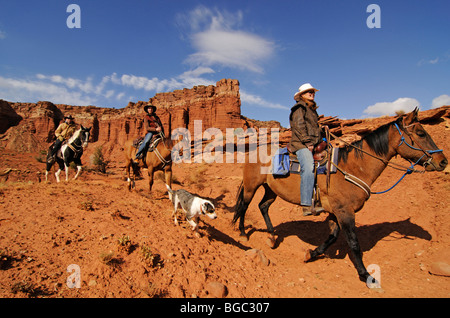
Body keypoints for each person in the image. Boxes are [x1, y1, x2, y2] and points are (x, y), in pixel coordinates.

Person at [288, 83, 323, 216]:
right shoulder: (299, 108)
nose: (311, 93)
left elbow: (313, 128)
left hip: (313, 143)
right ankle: (307, 204)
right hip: (300, 144)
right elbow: (299, 126)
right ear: (301, 95)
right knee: (308, 167)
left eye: (313, 92)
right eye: (309, 92)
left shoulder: (312, 110)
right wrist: (308, 142)